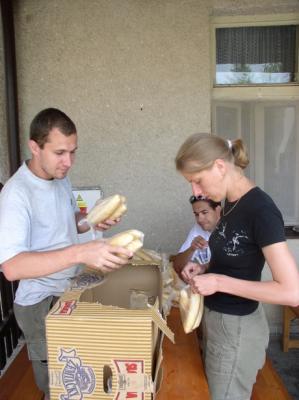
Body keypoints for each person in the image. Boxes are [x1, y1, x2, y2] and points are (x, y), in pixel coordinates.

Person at [0, 108, 133, 400]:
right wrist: (80, 252)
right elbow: (11, 267)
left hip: (65, 290)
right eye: (60, 152)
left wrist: (93, 221)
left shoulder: (59, 178)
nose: (68, 162)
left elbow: (68, 220)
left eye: (73, 152)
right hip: (39, 303)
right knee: (60, 387)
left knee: (79, 377)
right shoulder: (16, 194)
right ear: (34, 147)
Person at [175, 133, 299, 400]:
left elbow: (291, 291)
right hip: (220, 323)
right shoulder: (230, 204)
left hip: (238, 329)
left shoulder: (260, 210)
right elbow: (236, 259)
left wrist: (218, 282)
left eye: (197, 180)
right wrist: (206, 268)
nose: (195, 192)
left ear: (220, 167)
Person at [172, 195, 220, 281]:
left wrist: (204, 268)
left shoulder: (232, 231)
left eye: (204, 212)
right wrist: (192, 248)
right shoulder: (198, 228)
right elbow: (177, 266)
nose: (200, 219)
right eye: (196, 214)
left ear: (218, 211)